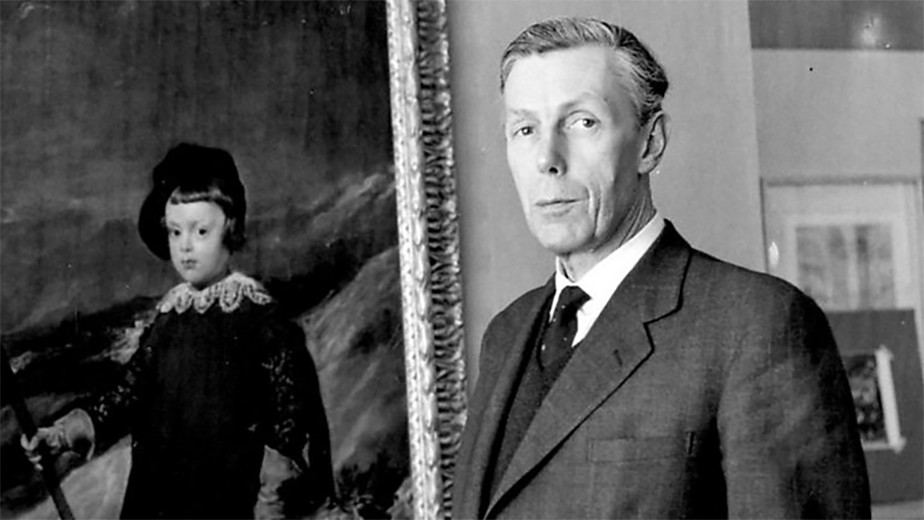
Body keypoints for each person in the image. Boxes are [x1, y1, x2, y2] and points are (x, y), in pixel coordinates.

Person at [453, 17, 870, 519]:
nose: (547, 159)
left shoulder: (756, 324)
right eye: (525, 129)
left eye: (582, 123)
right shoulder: (506, 334)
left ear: (650, 144)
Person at [22, 143, 334, 519]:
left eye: (201, 231)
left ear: (230, 229)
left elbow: (291, 426)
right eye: (175, 232)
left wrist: (274, 500)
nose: (185, 247)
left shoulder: (262, 323)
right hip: (155, 500)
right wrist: (60, 436)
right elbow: (126, 395)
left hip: (227, 505)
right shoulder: (169, 320)